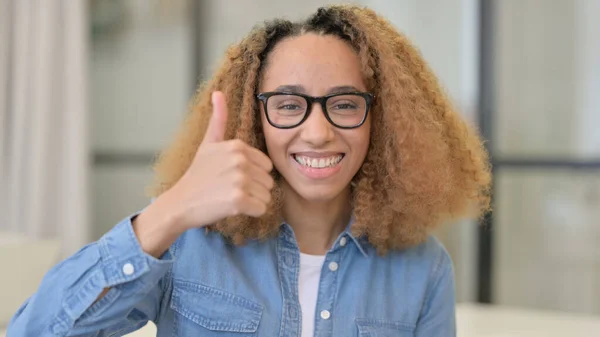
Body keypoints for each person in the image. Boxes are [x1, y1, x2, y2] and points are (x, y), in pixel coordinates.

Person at [8, 5, 491, 337]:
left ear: (381, 122)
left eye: (344, 104)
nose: (318, 132)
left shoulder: (423, 268)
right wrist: (170, 211)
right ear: (254, 118)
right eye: (288, 104)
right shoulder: (187, 242)